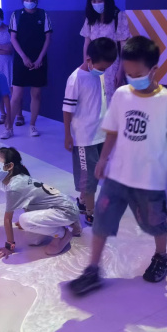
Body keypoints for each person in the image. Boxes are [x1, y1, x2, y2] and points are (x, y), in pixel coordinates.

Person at [69, 36, 167, 296]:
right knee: (101, 220)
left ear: (153, 70)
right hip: (117, 175)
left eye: (138, 74)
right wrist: (103, 159)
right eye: (128, 73)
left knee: (155, 222)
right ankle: (93, 269)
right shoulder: (122, 95)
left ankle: (161, 256)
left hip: (149, 178)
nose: (132, 78)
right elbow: (112, 129)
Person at [63, 37, 117, 226]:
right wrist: (67, 135)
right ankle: (91, 212)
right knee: (89, 178)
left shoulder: (98, 75)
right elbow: (67, 110)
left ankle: (83, 201)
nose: (103, 71)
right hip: (85, 138)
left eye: (106, 68)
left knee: (94, 173)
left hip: (100, 134)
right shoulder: (75, 79)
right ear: (89, 60)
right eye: (101, 67)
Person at [0, 147, 82, 258]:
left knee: (25, 220)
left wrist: (9, 246)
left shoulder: (14, 186)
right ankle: (70, 222)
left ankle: (63, 234)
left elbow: (7, 219)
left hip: (65, 210)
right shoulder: (18, 177)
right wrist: (33, 220)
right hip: (62, 206)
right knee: (32, 241)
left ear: (9, 166)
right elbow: (30, 201)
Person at [9, 0, 52, 137]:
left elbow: (48, 39)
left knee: (36, 94)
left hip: (39, 61)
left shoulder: (43, 15)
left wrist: (40, 58)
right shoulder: (16, 15)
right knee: (16, 96)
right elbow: (13, 38)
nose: (29, 1)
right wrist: (23, 57)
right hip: (21, 60)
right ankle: (9, 127)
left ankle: (32, 125)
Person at [80, 0, 131, 105]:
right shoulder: (90, 19)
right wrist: (86, 65)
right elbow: (86, 43)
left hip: (112, 68)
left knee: (112, 104)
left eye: (99, 0)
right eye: (93, 1)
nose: (96, 4)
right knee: (94, 103)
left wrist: (120, 71)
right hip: (93, 68)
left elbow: (124, 47)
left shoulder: (118, 16)